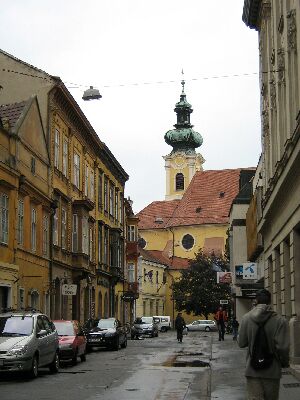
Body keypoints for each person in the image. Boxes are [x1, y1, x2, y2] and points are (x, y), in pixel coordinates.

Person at [238, 289, 290, 400]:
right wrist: (284, 363)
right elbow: (283, 347)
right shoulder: (280, 321)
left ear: (256, 300)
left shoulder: (246, 318)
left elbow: (241, 343)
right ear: (270, 301)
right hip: (272, 370)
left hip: (252, 369)